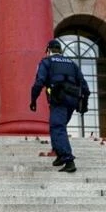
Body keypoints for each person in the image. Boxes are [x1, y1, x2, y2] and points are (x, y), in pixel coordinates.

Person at [30, 38, 90, 173]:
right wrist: (84, 102)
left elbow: (39, 82)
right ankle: (59, 154)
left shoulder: (46, 62)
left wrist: (33, 99)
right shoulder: (72, 64)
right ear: (60, 50)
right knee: (56, 126)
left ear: (48, 50)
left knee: (57, 127)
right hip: (73, 100)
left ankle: (68, 160)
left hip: (59, 98)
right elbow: (84, 86)